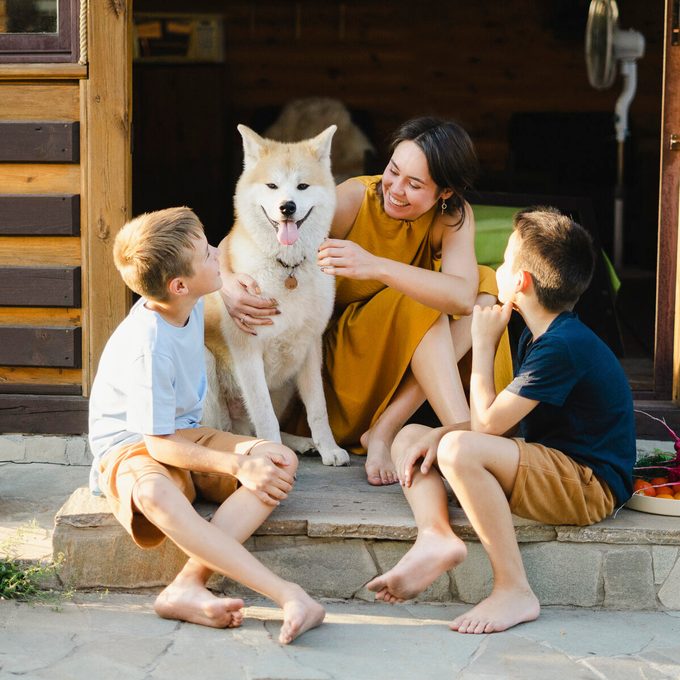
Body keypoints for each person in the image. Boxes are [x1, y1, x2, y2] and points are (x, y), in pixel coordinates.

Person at [365, 207, 636, 634]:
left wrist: (482, 343)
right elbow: (499, 424)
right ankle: (435, 534)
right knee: (414, 436)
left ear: (521, 282)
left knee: (456, 447)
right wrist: (438, 434)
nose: (497, 269)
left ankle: (514, 589)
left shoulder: (564, 345)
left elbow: (488, 426)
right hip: (546, 463)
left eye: (506, 262)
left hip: (589, 484)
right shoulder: (540, 333)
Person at [219, 117, 513, 485]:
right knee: (419, 301)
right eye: (393, 171)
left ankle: (387, 427)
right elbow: (241, 236)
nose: (396, 189)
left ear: (445, 194)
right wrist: (227, 283)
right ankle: (462, 437)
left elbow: (462, 299)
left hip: (405, 352)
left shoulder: (453, 216)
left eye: (415, 184)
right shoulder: (354, 199)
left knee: (485, 286)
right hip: (337, 360)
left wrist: (376, 266)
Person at [88, 207, 325, 645]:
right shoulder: (149, 345)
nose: (218, 254)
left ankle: (187, 585)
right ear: (179, 285)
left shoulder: (186, 300)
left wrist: (228, 282)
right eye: (207, 254)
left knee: (277, 459)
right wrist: (235, 467)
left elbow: (212, 275)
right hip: (134, 446)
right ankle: (286, 594)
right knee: (156, 491)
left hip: (183, 434)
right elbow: (157, 444)